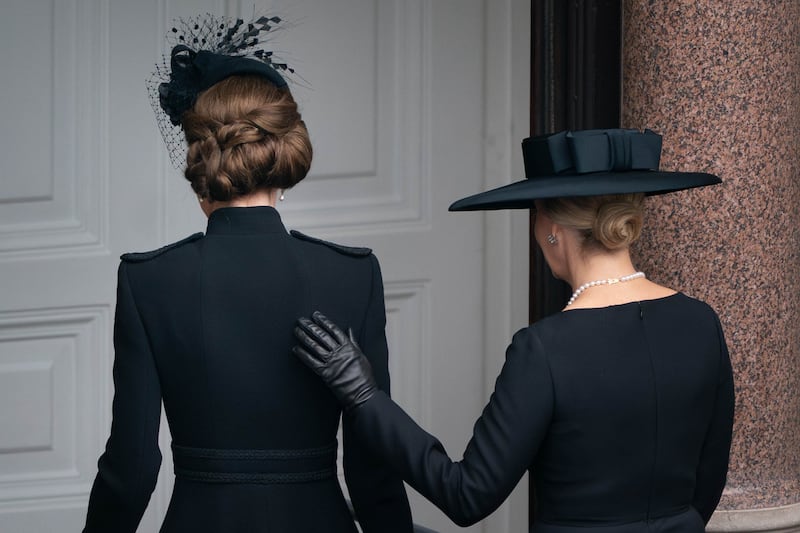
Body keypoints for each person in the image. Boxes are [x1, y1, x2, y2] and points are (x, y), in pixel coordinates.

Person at [293, 128, 735, 532]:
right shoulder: (701, 323)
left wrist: (364, 397)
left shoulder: (544, 350)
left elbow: (467, 495)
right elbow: (706, 488)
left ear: (552, 230)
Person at [83, 15, 413, 533]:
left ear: (199, 162)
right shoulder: (353, 274)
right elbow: (373, 465)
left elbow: (133, 467)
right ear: (281, 154)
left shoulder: (149, 280)